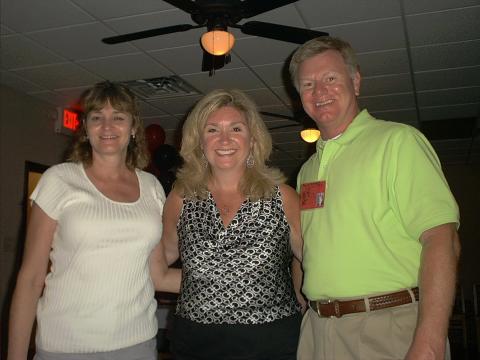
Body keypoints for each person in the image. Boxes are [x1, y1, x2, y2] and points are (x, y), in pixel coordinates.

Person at [290, 36, 461, 360]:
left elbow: (442, 240)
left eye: (330, 79)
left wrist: (430, 342)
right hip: (317, 329)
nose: (319, 91)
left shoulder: (398, 141)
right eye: (308, 84)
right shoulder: (308, 169)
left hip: (385, 326)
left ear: (355, 82)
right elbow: (311, 248)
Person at [8, 81, 178, 360]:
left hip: (138, 345)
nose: (107, 126)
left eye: (118, 117)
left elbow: (157, 273)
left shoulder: (152, 187)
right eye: (97, 117)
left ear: (134, 127)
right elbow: (30, 279)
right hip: (66, 347)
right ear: (85, 128)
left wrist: (229, 279)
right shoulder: (59, 180)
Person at [160, 89, 304, 360]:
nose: (224, 139)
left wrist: (303, 296)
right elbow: (159, 257)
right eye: (213, 130)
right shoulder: (181, 197)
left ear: (252, 139)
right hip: (195, 341)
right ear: (199, 142)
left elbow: (312, 260)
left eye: (236, 128)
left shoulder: (282, 196)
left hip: (271, 342)